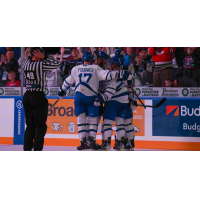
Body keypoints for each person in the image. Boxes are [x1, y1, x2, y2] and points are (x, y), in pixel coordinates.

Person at [58, 51, 129, 150]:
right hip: (92, 97)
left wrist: (61, 90)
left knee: (81, 119)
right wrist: (119, 73)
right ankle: (91, 142)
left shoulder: (75, 69)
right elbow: (107, 75)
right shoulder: (96, 68)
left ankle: (83, 142)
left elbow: (68, 81)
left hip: (78, 96)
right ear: (92, 60)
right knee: (93, 120)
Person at [23, 47, 62, 151]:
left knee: (30, 125)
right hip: (37, 95)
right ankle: (37, 149)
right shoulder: (41, 64)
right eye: (40, 52)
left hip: (27, 95)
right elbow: (57, 64)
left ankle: (26, 148)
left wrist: (35, 54)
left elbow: (28, 56)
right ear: (36, 54)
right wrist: (44, 57)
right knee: (40, 125)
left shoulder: (26, 62)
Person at [94, 56, 133, 151]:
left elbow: (110, 91)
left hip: (113, 102)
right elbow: (131, 84)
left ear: (112, 64)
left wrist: (102, 98)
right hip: (124, 101)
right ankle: (121, 144)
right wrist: (132, 99)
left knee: (107, 124)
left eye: (109, 64)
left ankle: (106, 144)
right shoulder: (125, 74)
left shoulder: (112, 76)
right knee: (120, 123)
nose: (108, 65)